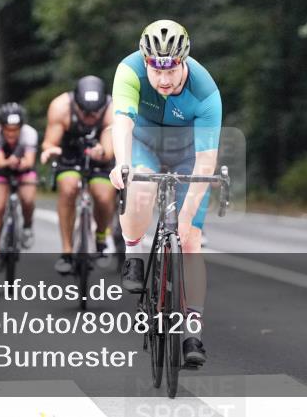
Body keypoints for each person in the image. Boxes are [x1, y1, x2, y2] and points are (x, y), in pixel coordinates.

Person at [109, 19, 222, 369]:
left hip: (188, 154)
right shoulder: (128, 71)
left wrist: (186, 219)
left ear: (183, 61)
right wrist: (121, 163)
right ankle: (132, 252)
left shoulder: (205, 91)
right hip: (144, 144)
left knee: (190, 241)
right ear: (145, 62)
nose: (163, 80)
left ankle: (192, 331)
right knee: (139, 183)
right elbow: (123, 121)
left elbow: (205, 162)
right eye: (155, 70)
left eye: (171, 69)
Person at [40, 76, 115, 275]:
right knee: (68, 188)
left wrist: (101, 153)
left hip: (99, 156)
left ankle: (101, 236)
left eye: (95, 113)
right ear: (76, 104)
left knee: (104, 196)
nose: (90, 117)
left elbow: (109, 150)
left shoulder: (112, 109)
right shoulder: (60, 106)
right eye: (85, 112)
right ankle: (66, 251)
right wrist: (50, 151)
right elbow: (49, 142)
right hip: (69, 154)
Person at [0, 103, 38, 271]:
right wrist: (10, 162)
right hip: (0, 170)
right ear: (1, 127)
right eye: (7, 129)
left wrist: (20, 164)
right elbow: (0, 161)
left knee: (28, 200)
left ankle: (27, 226)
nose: (11, 133)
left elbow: (29, 160)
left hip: (23, 169)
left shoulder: (29, 134)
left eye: (15, 129)